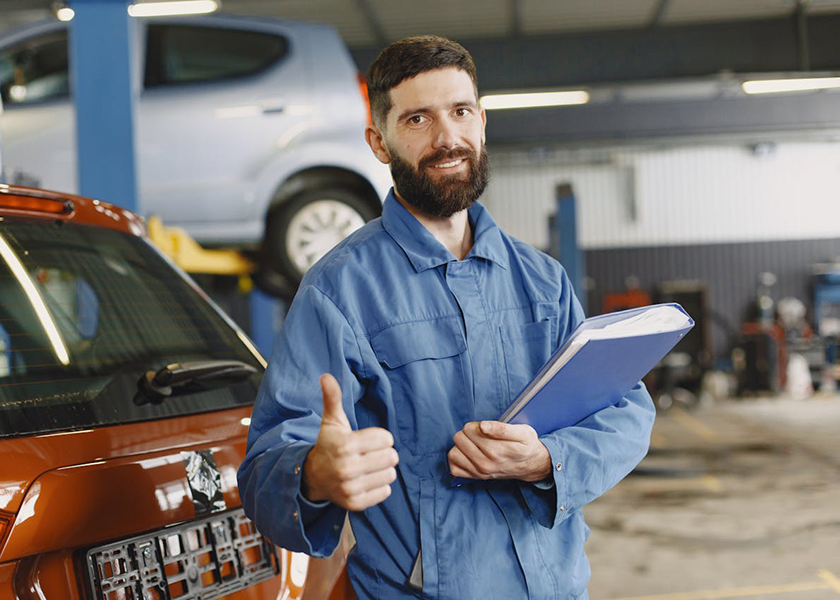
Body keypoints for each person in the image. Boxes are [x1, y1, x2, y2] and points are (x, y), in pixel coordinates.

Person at [238, 35, 655, 600]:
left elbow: (625, 410)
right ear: (378, 144)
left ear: (481, 121)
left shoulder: (543, 280)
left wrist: (546, 459)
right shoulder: (339, 291)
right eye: (417, 120)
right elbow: (266, 466)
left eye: (460, 112)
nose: (447, 138)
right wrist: (314, 474)